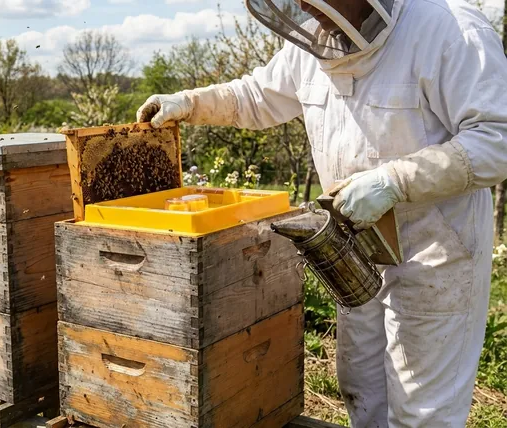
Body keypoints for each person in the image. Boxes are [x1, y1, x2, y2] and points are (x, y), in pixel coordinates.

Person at [136, 0, 507, 425]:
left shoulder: (450, 31)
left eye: (319, 4)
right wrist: (189, 102)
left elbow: (497, 138)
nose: (313, 16)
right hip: (354, 250)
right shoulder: (316, 45)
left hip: (434, 254)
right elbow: (256, 97)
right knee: (362, 387)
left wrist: (396, 181)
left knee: (421, 410)